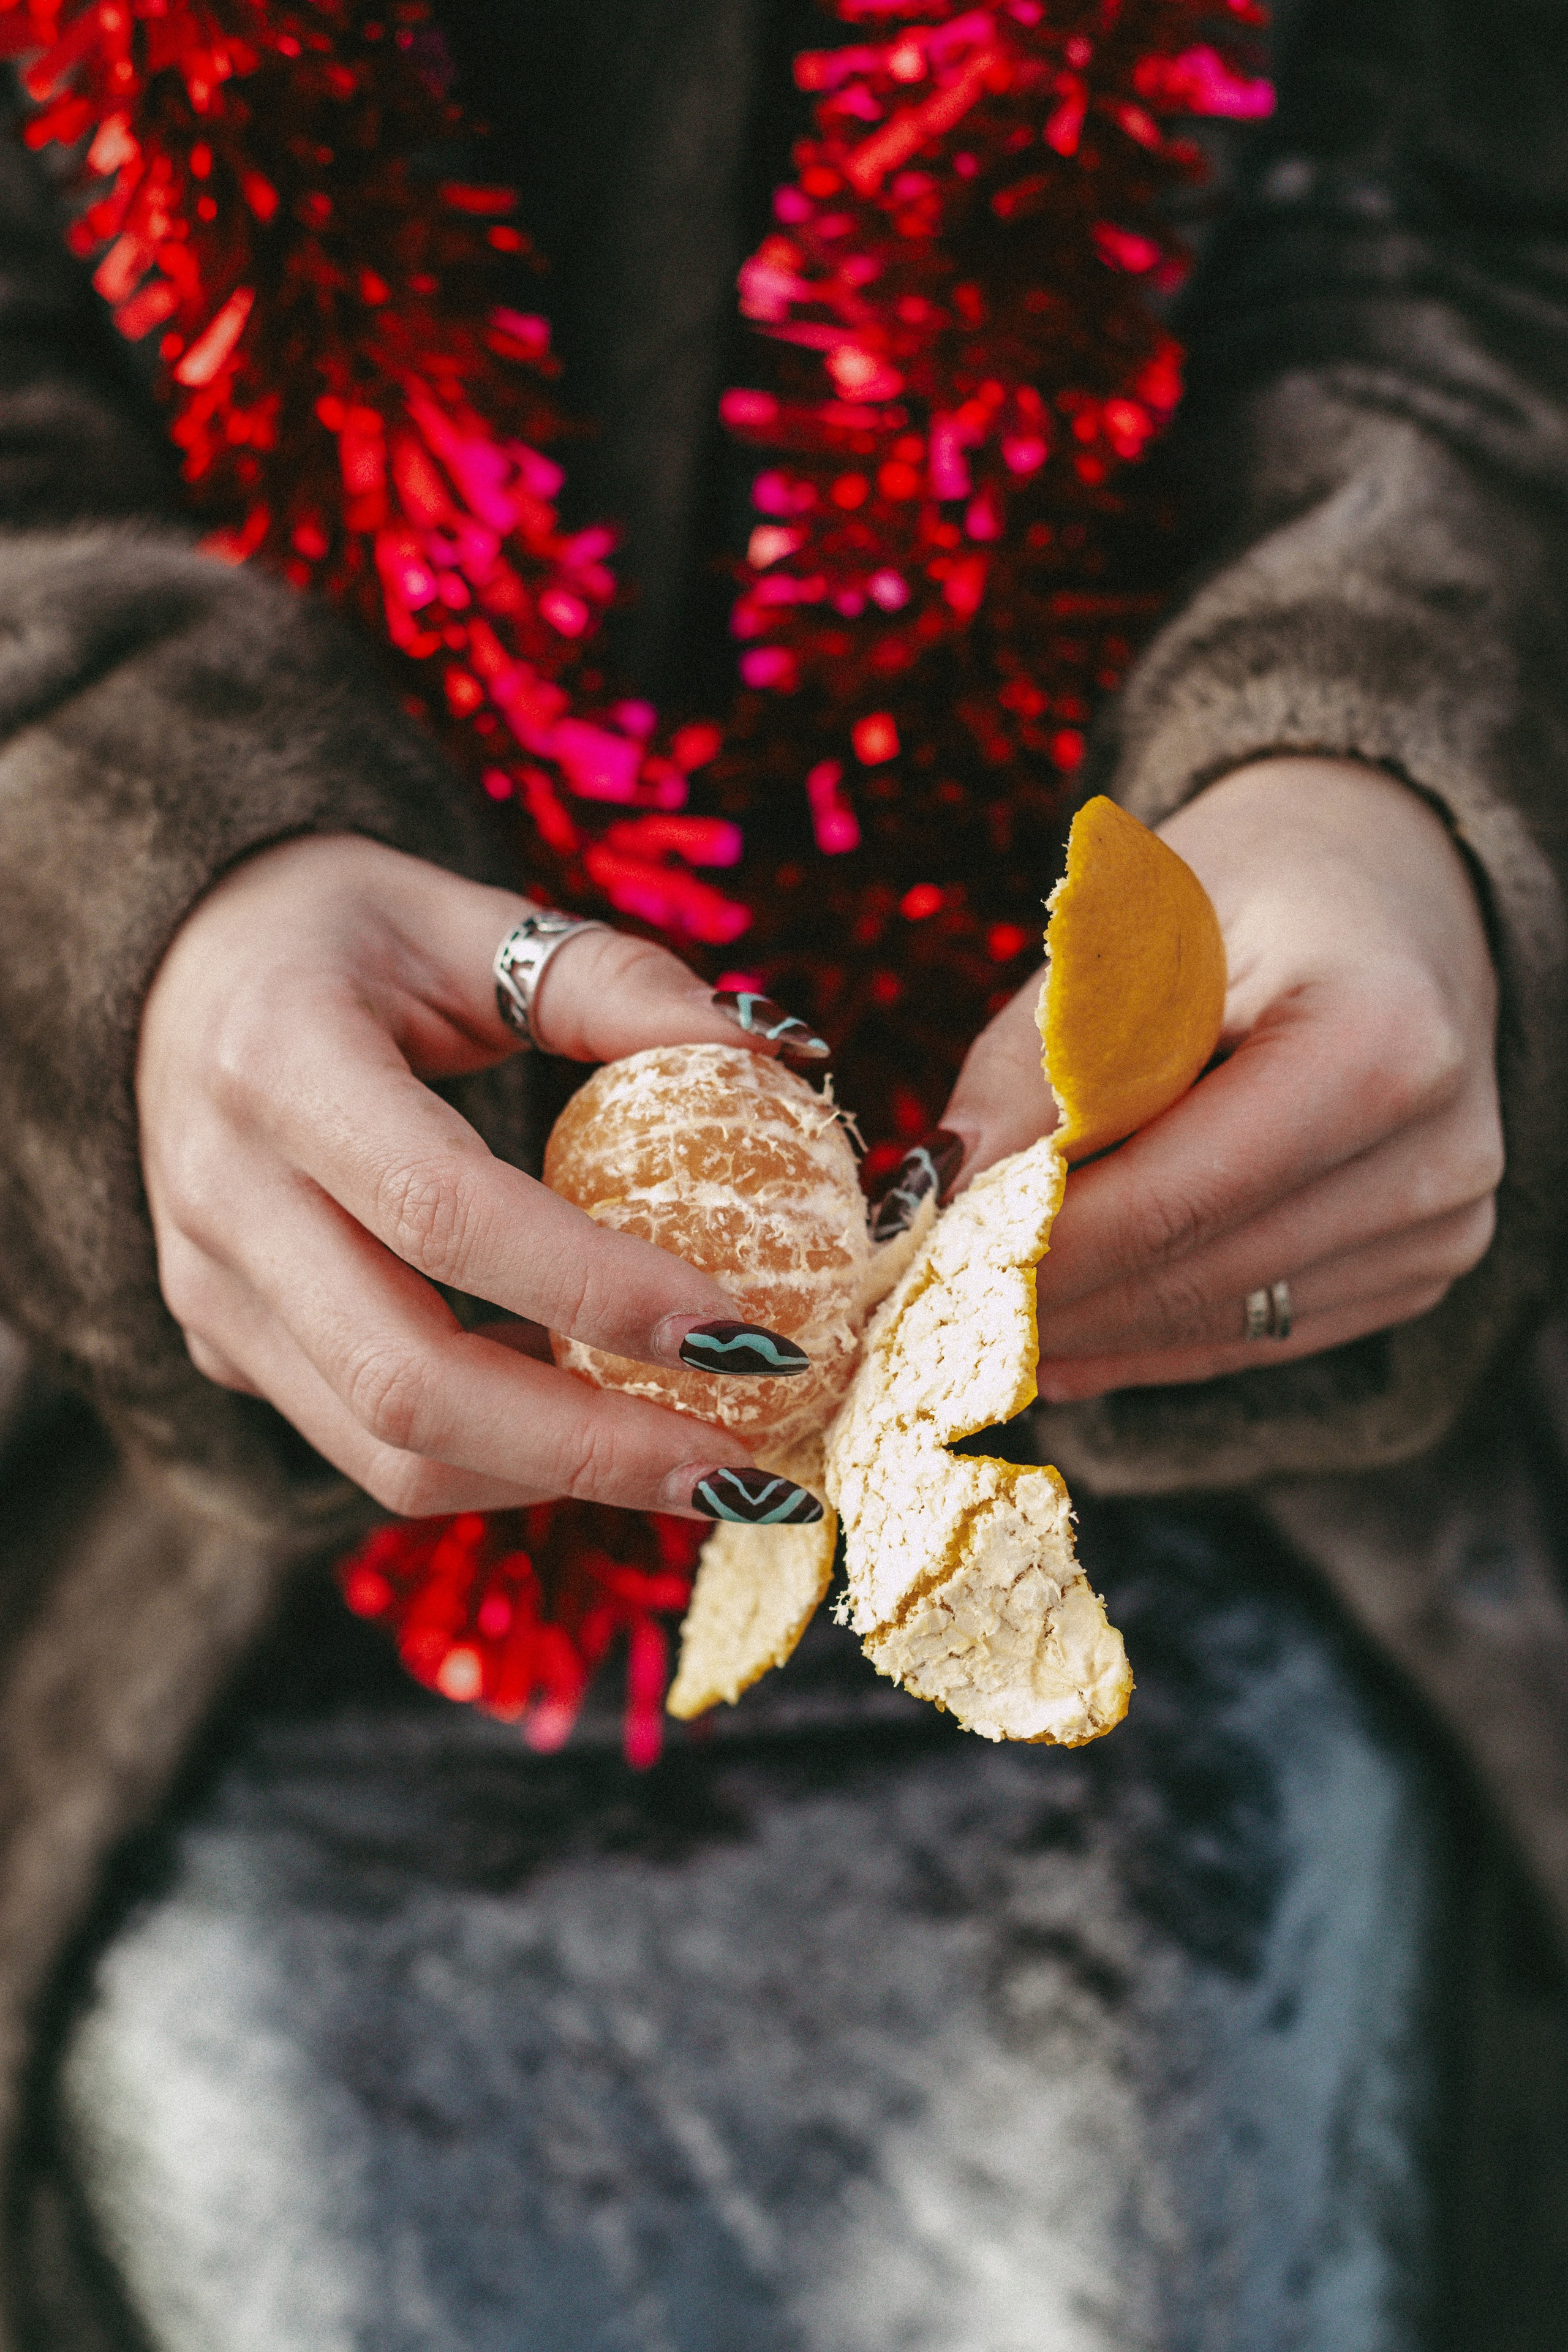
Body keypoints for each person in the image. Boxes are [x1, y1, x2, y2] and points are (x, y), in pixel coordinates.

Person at [2, 0, 1568, 2345]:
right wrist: (116, 874)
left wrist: (1381, 751)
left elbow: (1473, 217)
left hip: (1246, 1504)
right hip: (179, 1564)